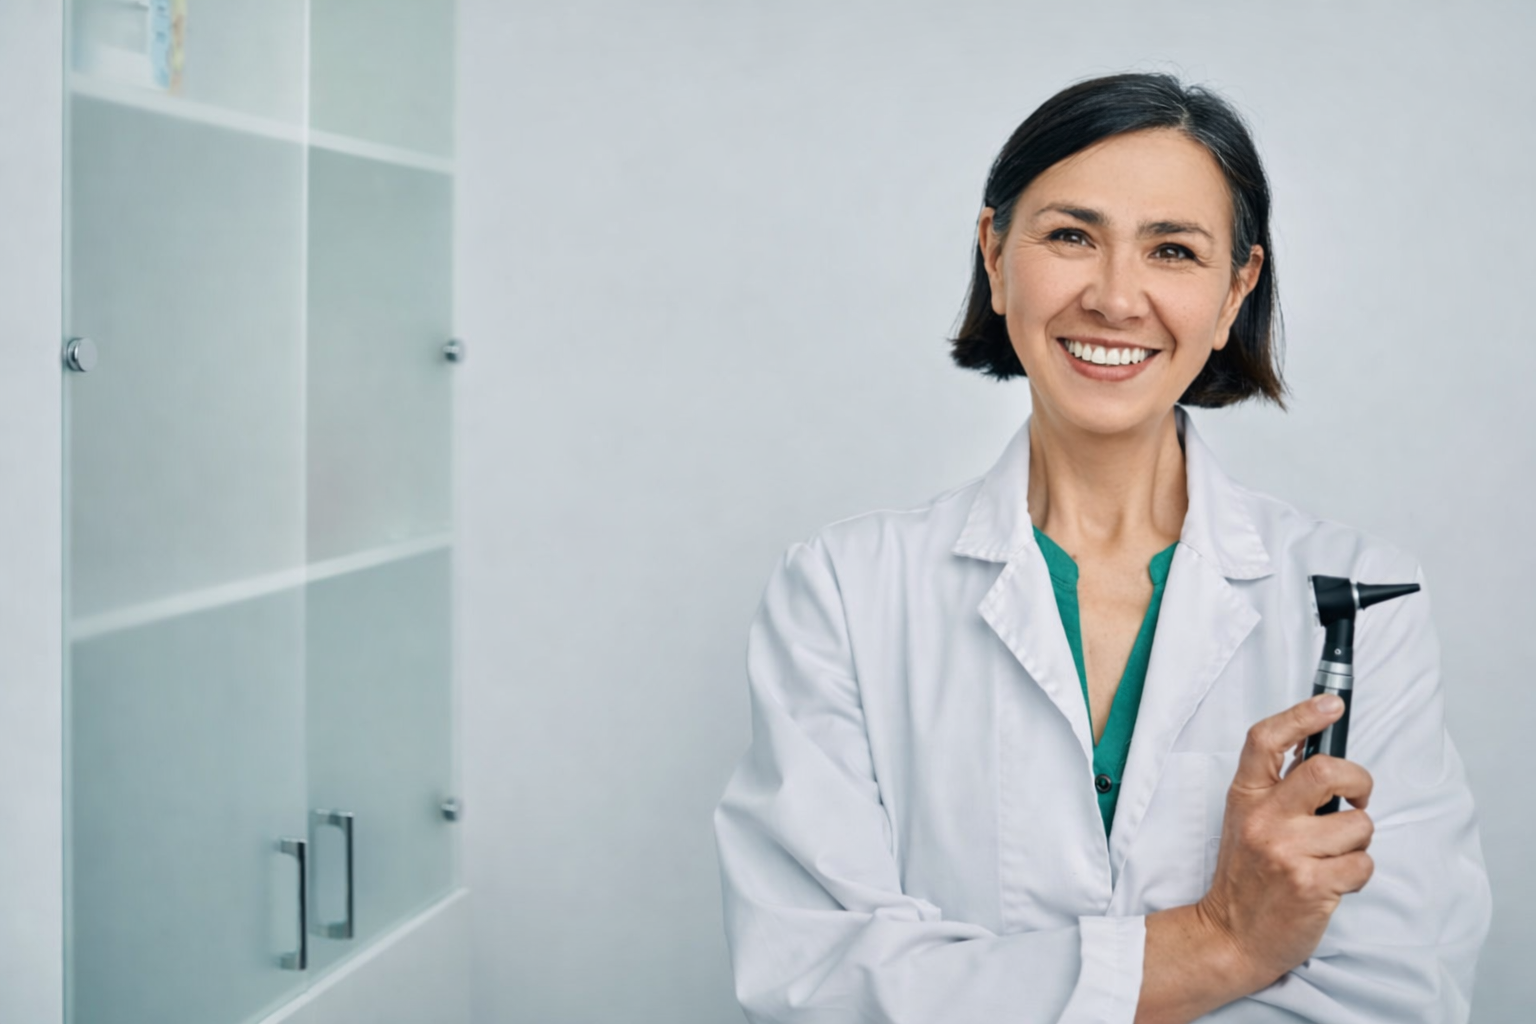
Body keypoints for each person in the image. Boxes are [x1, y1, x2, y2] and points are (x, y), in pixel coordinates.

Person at [712, 72, 1491, 1023]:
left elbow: (1396, 989)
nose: (1117, 298)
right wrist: (1227, 941)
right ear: (995, 256)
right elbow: (820, 985)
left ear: (1235, 291)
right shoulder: (842, 591)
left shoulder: (1363, 596)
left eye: (1173, 251)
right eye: (1071, 237)